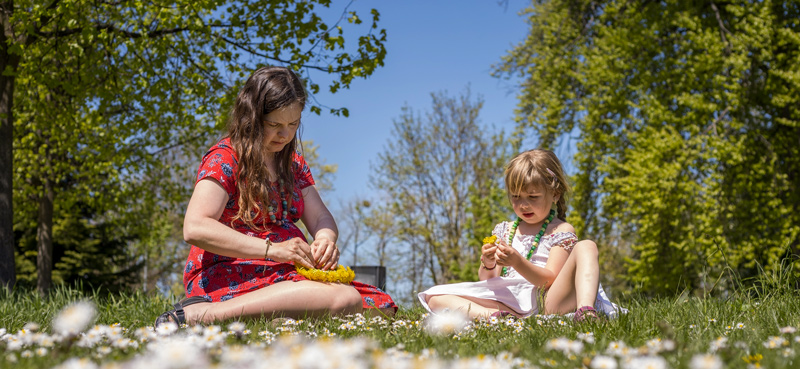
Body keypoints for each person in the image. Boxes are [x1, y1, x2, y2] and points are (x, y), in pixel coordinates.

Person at [155, 66, 396, 327]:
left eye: (293, 124)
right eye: (275, 125)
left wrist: (326, 239)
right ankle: (202, 315)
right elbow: (195, 227)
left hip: (282, 271)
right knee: (344, 299)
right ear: (252, 117)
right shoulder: (224, 158)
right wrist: (273, 251)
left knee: (381, 307)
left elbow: (321, 217)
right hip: (230, 269)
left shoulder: (293, 165)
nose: (286, 134)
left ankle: (278, 317)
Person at [418, 149, 620, 321]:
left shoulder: (560, 230)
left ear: (555, 195)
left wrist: (516, 261)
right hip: (511, 299)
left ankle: (585, 311)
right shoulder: (504, 230)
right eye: (516, 197)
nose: (523, 204)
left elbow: (548, 281)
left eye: (533, 197)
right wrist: (488, 263)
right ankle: (497, 317)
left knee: (587, 246)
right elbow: (488, 280)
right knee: (435, 297)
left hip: (548, 301)